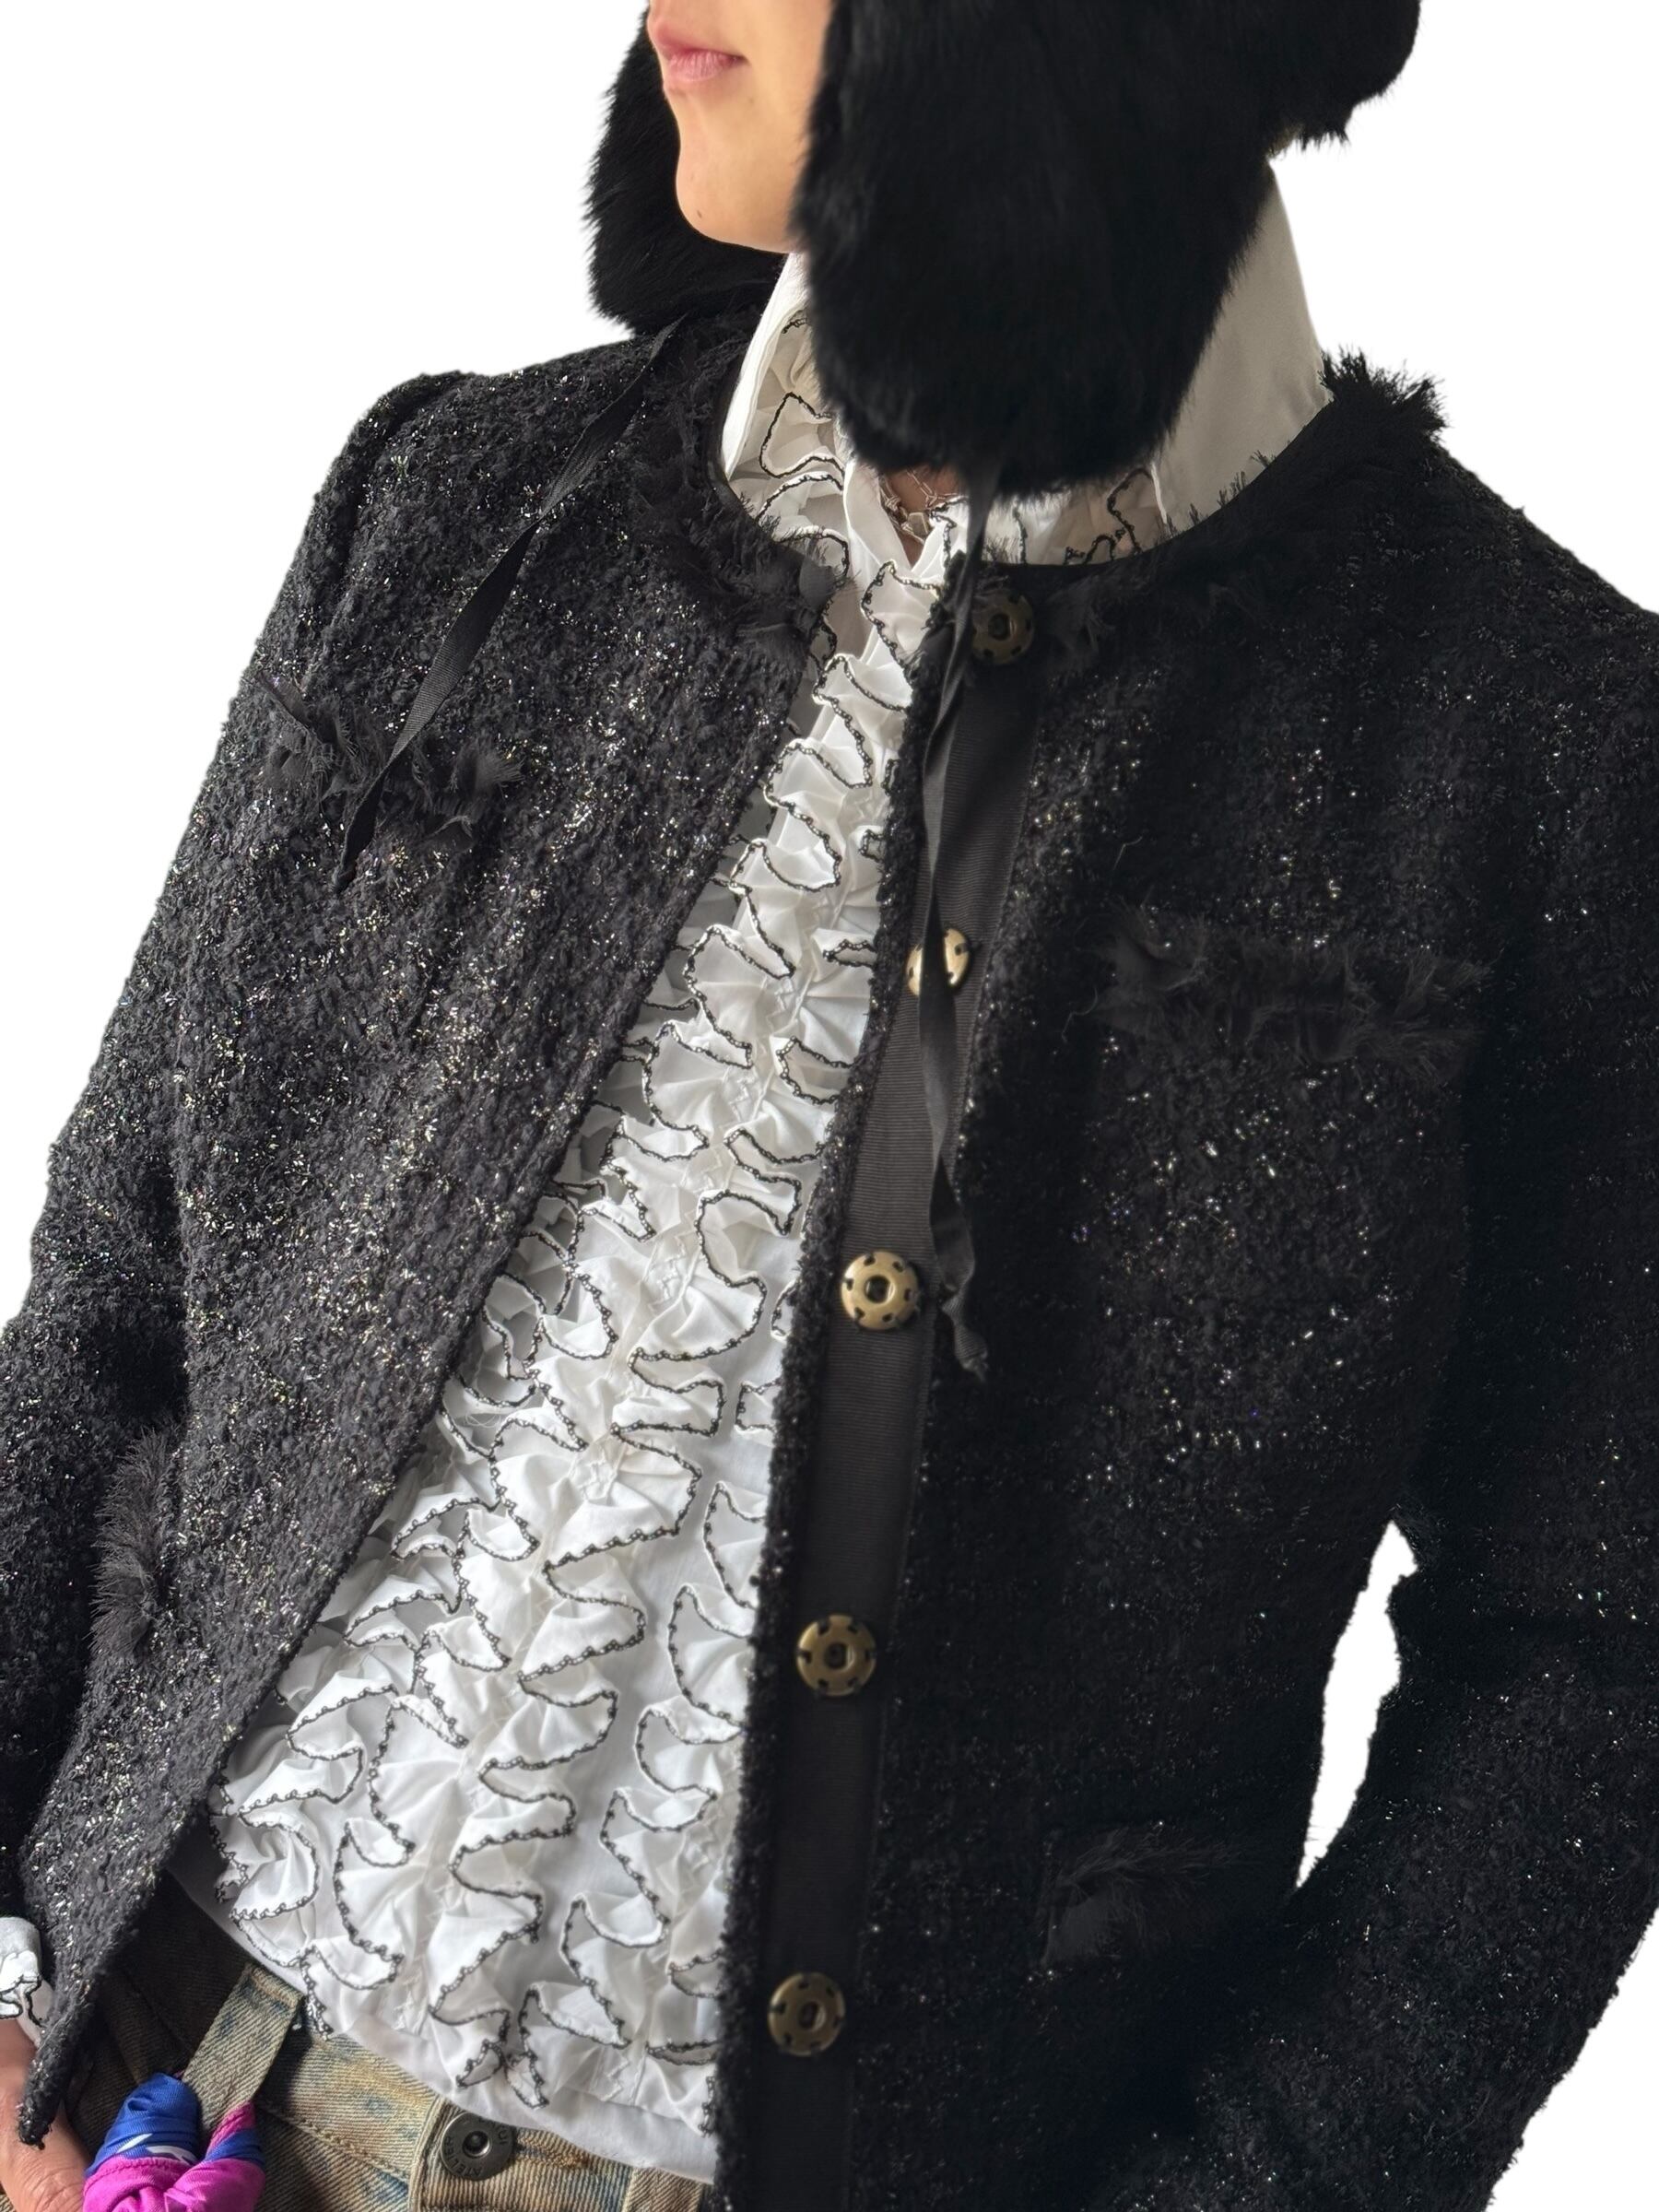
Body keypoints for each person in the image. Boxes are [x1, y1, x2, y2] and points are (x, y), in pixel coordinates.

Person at [2, 3, 1655, 2208]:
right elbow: (118, 1305)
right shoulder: (455, 504)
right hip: (130, 2077)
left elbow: (1589, 1644)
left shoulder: (1538, 752)